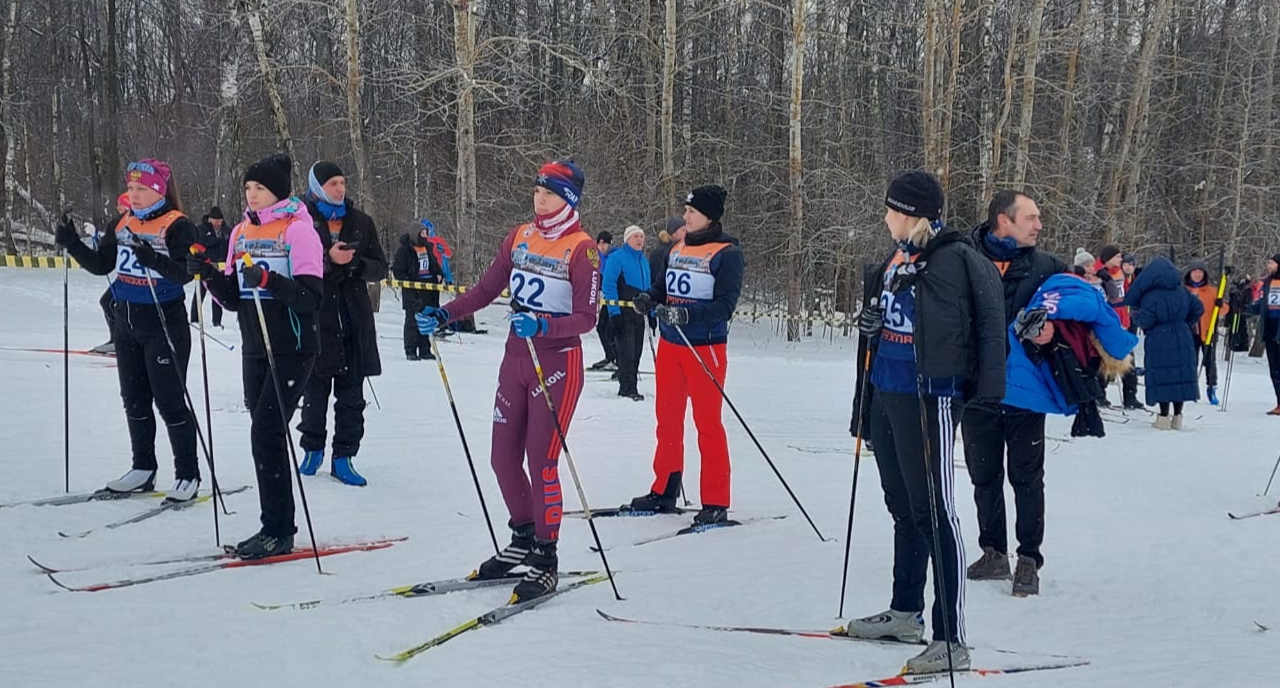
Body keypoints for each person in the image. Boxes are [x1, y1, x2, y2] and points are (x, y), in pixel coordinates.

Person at [842, 171, 1005, 674]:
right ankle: (905, 610)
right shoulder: (897, 255)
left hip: (928, 394)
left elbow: (970, 323)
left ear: (912, 214)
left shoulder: (954, 258)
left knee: (936, 511)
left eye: (892, 210)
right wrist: (871, 319)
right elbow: (890, 311)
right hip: (886, 390)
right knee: (904, 508)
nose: (885, 218)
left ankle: (950, 636)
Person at [415, 159, 598, 602]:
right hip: (515, 360)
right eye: (537, 191)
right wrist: (446, 313)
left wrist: (543, 326)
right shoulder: (519, 236)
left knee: (542, 462)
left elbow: (586, 318)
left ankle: (545, 557)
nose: (539, 199)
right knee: (502, 459)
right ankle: (524, 535)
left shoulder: (582, 249)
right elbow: (485, 290)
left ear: (568, 200)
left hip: (555, 363)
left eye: (550, 193)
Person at [187, 153, 324, 558]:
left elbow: (310, 298)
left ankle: (278, 529)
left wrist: (269, 280)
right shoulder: (240, 232)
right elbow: (232, 298)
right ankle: (275, 525)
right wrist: (208, 273)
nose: (252, 195)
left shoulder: (299, 232)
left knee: (265, 432)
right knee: (265, 434)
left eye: (259, 188)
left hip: (293, 345)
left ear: (277, 192)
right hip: (255, 345)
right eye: (248, 188)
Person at [54, 160, 201, 501]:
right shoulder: (121, 222)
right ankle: (143, 468)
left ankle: (187, 474)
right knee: (133, 398)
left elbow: (184, 274)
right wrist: (73, 243)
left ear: (159, 191)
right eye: (131, 188)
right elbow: (102, 265)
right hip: (127, 322)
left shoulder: (177, 225)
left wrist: (155, 260)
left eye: (142, 189)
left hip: (164, 321)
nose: (133, 195)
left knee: (169, 401)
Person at [960, 190, 1065, 597]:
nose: (1039, 225)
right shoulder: (966, 260)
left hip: (1027, 394)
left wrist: (1049, 336)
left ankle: (1028, 559)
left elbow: (1074, 330)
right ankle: (994, 553)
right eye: (1032, 218)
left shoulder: (1048, 268)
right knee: (983, 476)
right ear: (1004, 220)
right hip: (977, 392)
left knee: (1027, 478)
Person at [627, 184, 743, 526]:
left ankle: (716, 501)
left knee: (707, 424)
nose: (686, 215)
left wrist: (687, 314)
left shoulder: (727, 253)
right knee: (667, 419)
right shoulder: (676, 247)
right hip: (671, 346)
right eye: (687, 210)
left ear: (709, 216)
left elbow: (725, 306)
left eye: (693, 211)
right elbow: (663, 287)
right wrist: (648, 298)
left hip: (705, 348)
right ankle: (665, 488)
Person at [296, 161, 388, 487]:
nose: (340, 188)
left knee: (352, 398)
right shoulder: (302, 220)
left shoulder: (361, 221)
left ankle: (344, 457)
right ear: (318, 187)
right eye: (332, 183)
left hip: (354, 322)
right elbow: (295, 263)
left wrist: (356, 264)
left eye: (342, 182)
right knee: (314, 394)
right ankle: (312, 452)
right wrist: (327, 260)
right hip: (318, 320)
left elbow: (381, 267)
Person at [1124, 257, 1202, 429]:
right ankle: (1178, 417)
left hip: (1159, 338)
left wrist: (1135, 315)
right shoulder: (1183, 291)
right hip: (1183, 335)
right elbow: (1198, 308)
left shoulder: (1151, 296)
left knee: (1163, 376)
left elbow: (1146, 321)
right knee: (1180, 377)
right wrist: (1185, 323)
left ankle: (1163, 417)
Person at [602, 225, 652, 400]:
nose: (639, 239)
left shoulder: (644, 261)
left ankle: (633, 386)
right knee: (626, 352)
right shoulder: (617, 258)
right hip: (623, 313)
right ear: (627, 239)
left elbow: (649, 290)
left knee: (637, 351)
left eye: (641, 236)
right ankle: (626, 388)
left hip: (639, 314)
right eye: (635, 236)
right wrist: (614, 313)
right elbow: (608, 285)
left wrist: (651, 314)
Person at [89, 193, 133, 355]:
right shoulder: (119, 223)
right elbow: (111, 244)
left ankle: (118, 340)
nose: (117, 207)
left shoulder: (127, 223)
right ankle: (116, 339)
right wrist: (95, 236)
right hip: (124, 276)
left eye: (120, 204)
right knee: (108, 302)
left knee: (109, 302)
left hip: (131, 278)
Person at [393, 222, 443, 360]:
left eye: (426, 234)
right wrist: (409, 282)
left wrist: (439, 274)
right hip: (413, 290)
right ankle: (410, 350)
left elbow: (434, 265)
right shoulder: (405, 250)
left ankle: (425, 349)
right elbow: (398, 270)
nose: (425, 237)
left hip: (429, 289)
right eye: (422, 234)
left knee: (427, 318)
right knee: (412, 320)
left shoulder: (428, 248)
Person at [1184, 259, 1228, 405]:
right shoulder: (1184, 290)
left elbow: (1224, 310)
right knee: (1191, 361)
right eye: (1194, 272)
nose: (1197, 275)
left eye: (1200, 272)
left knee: (1210, 362)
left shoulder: (1212, 291)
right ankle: (1190, 388)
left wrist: (1221, 305)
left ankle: (1211, 388)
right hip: (1190, 331)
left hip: (1208, 331)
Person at [1250, 255, 1280, 414]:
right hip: (1269, 329)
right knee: (1274, 369)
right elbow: (1258, 306)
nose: (1268, 266)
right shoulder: (1267, 283)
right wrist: (1243, 303)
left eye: (1271, 263)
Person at [190, 206, 230, 327]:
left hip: (220, 265)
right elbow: (203, 242)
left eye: (219, 221)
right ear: (209, 219)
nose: (217, 224)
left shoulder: (226, 231)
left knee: (217, 294)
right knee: (199, 293)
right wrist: (218, 242)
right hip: (205, 265)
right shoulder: (202, 229)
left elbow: (229, 244)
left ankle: (217, 321)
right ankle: (194, 319)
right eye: (215, 221)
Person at [590, 231, 618, 371]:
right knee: (602, 327)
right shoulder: (598, 257)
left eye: (604, 243)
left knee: (610, 328)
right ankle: (610, 356)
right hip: (606, 298)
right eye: (599, 243)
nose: (601, 246)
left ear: (610, 244)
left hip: (616, 298)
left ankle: (617, 359)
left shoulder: (615, 256)